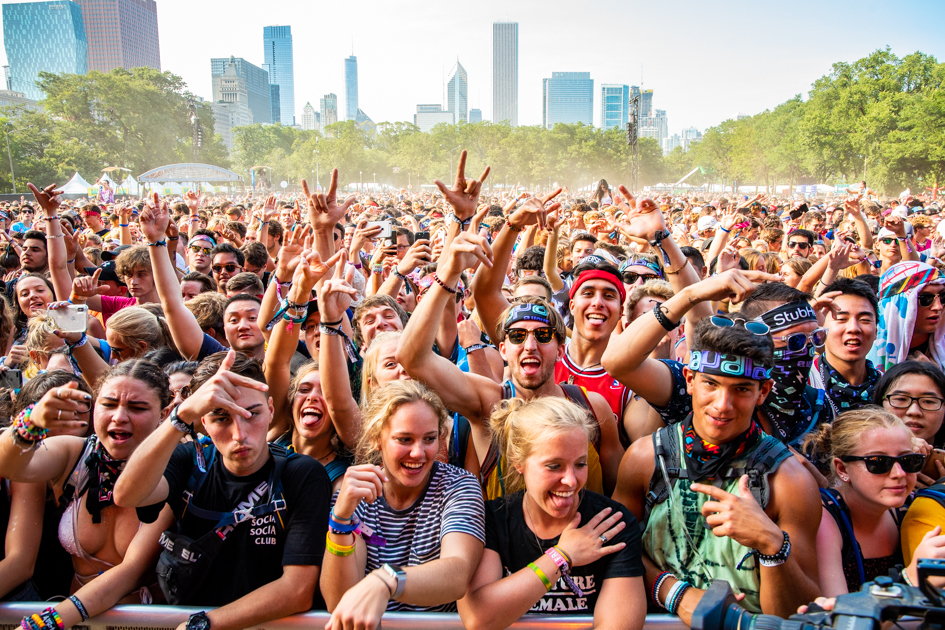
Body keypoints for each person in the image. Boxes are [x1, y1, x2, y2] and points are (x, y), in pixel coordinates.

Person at [605, 296, 821, 621]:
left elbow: (797, 613)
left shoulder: (789, 481)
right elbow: (614, 551)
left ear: (763, 392)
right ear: (690, 380)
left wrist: (771, 544)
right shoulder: (645, 459)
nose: (723, 404)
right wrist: (675, 593)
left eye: (742, 389)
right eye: (711, 384)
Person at [114, 350, 329, 629]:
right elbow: (127, 495)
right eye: (221, 418)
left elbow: (297, 591)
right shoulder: (190, 460)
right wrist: (180, 416)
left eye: (252, 414)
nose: (240, 434)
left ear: (272, 409)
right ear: (203, 421)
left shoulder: (302, 474)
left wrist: (203, 624)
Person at [0, 360, 176, 630]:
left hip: (144, 622)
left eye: (137, 407)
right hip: (77, 621)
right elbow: (11, 466)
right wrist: (31, 421)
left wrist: (48, 622)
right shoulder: (75, 454)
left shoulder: (173, 466)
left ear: (164, 414)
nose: (119, 417)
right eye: (108, 404)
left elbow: (130, 572)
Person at [458, 397, 646, 628]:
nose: (570, 480)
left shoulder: (612, 523)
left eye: (580, 464)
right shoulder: (492, 519)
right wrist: (562, 556)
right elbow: (478, 619)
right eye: (554, 466)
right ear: (518, 462)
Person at [321, 380, 485, 628]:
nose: (418, 453)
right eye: (405, 439)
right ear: (377, 438)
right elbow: (338, 601)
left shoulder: (458, 486)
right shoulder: (357, 493)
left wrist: (386, 580)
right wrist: (341, 519)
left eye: (429, 439)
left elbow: (457, 574)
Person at [804, 409, 920, 595]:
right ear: (842, 469)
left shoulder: (912, 508)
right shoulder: (824, 517)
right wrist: (910, 580)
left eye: (908, 460)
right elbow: (839, 614)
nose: (899, 473)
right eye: (878, 462)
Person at [809, 278, 881, 420]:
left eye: (865, 320)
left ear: (876, 331)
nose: (854, 328)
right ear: (821, 329)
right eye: (841, 319)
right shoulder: (804, 382)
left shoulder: (890, 387)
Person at [873, 361, 945, 485]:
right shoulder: (858, 458)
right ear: (880, 404)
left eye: (928, 401)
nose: (914, 411)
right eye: (901, 399)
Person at [869, 261, 945, 370]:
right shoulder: (863, 349)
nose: (938, 307)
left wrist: (933, 374)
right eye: (925, 299)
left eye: (942, 297)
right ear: (897, 304)